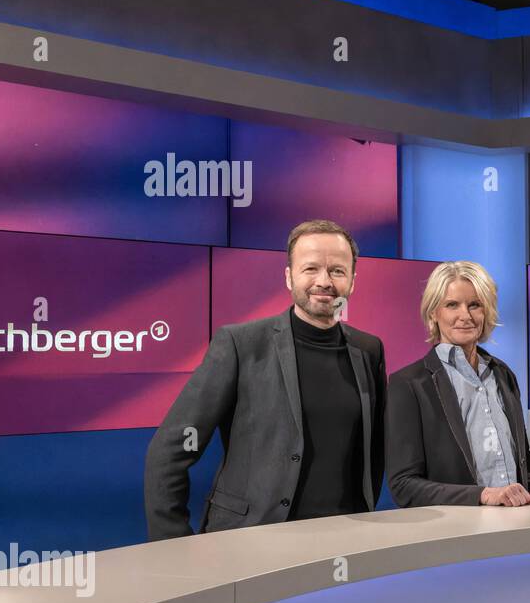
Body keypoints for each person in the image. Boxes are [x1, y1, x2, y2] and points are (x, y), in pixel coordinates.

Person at [145, 220, 385, 539]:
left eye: (337, 271)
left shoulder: (369, 349)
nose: (324, 281)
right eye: (310, 269)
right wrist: (171, 545)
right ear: (289, 277)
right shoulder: (240, 344)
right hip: (248, 540)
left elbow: (374, 449)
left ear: (352, 281)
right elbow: (170, 449)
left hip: (343, 540)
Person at [386, 261, 530, 507]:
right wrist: (483, 495)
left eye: (475, 305)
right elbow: (404, 485)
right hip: (454, 533)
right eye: (452, 305)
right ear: (434, 312)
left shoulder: (503, 374)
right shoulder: (409, 384)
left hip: (516, 527)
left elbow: (521, 464)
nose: (465, 316)